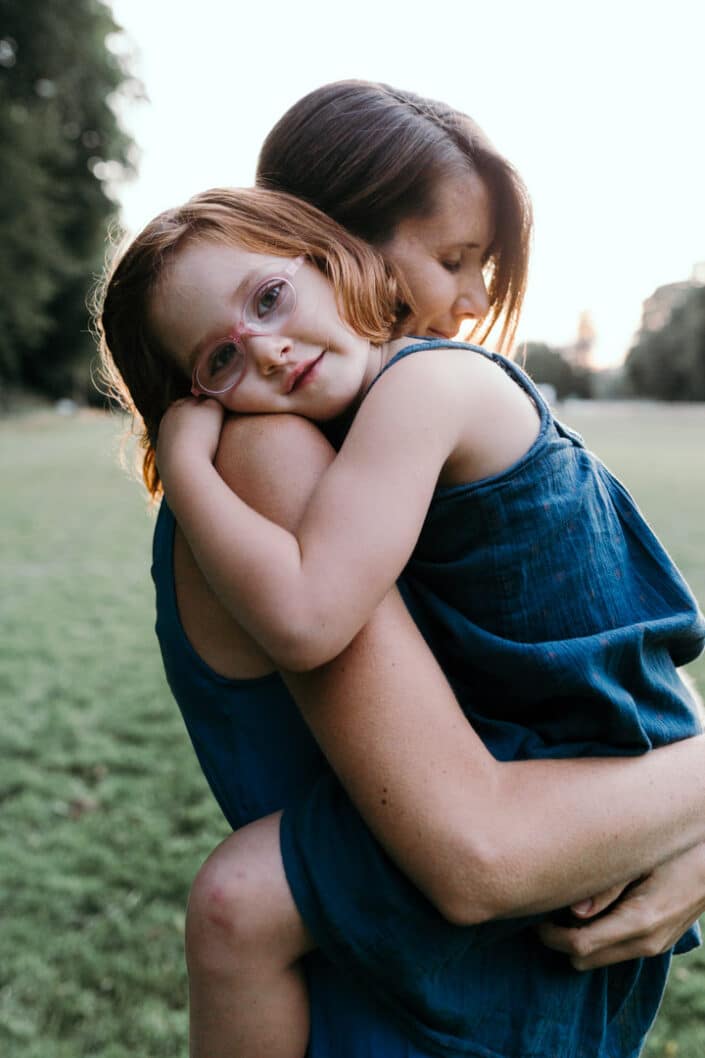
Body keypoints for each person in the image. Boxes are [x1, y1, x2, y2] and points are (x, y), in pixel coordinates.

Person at [98, 178, 705, 1058]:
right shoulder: (268, 451)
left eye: (270, 301)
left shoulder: (395, 434)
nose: (466, 302)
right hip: (417, 1008)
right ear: (343, 252)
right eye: (219, 359)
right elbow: (480, 852)